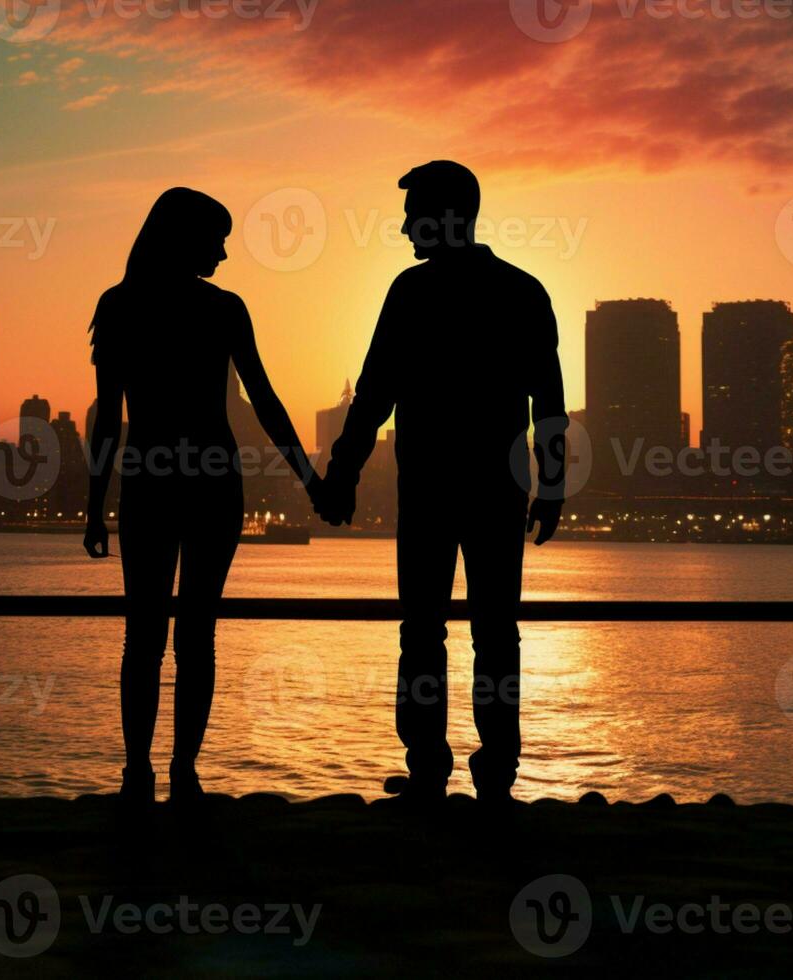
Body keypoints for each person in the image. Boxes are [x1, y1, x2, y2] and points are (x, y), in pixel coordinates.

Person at [315, 161, 567, 805]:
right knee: (495, 629)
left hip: (429, 490)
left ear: (447, 213)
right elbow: (550, 404)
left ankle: (429, 767)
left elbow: (373, 398)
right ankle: (495, 771)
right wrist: (554, 484)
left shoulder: (412, 294)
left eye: (414, 213)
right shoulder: (522, 291)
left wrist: (342, 476)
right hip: (496, 490)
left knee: (423, 628)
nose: (403, 227)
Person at [84, 187, 321, 805]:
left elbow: (109, 417)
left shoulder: (119, 306)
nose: (222, 250)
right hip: (213, 481)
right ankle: (182, 773)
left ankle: (140, 774)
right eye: (216, 238)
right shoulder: (223, 309)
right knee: (197, 633)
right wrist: (310, 479)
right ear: (184, 238)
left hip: (149, 482)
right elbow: (265, 401)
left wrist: (94, 504)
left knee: (145, 634)